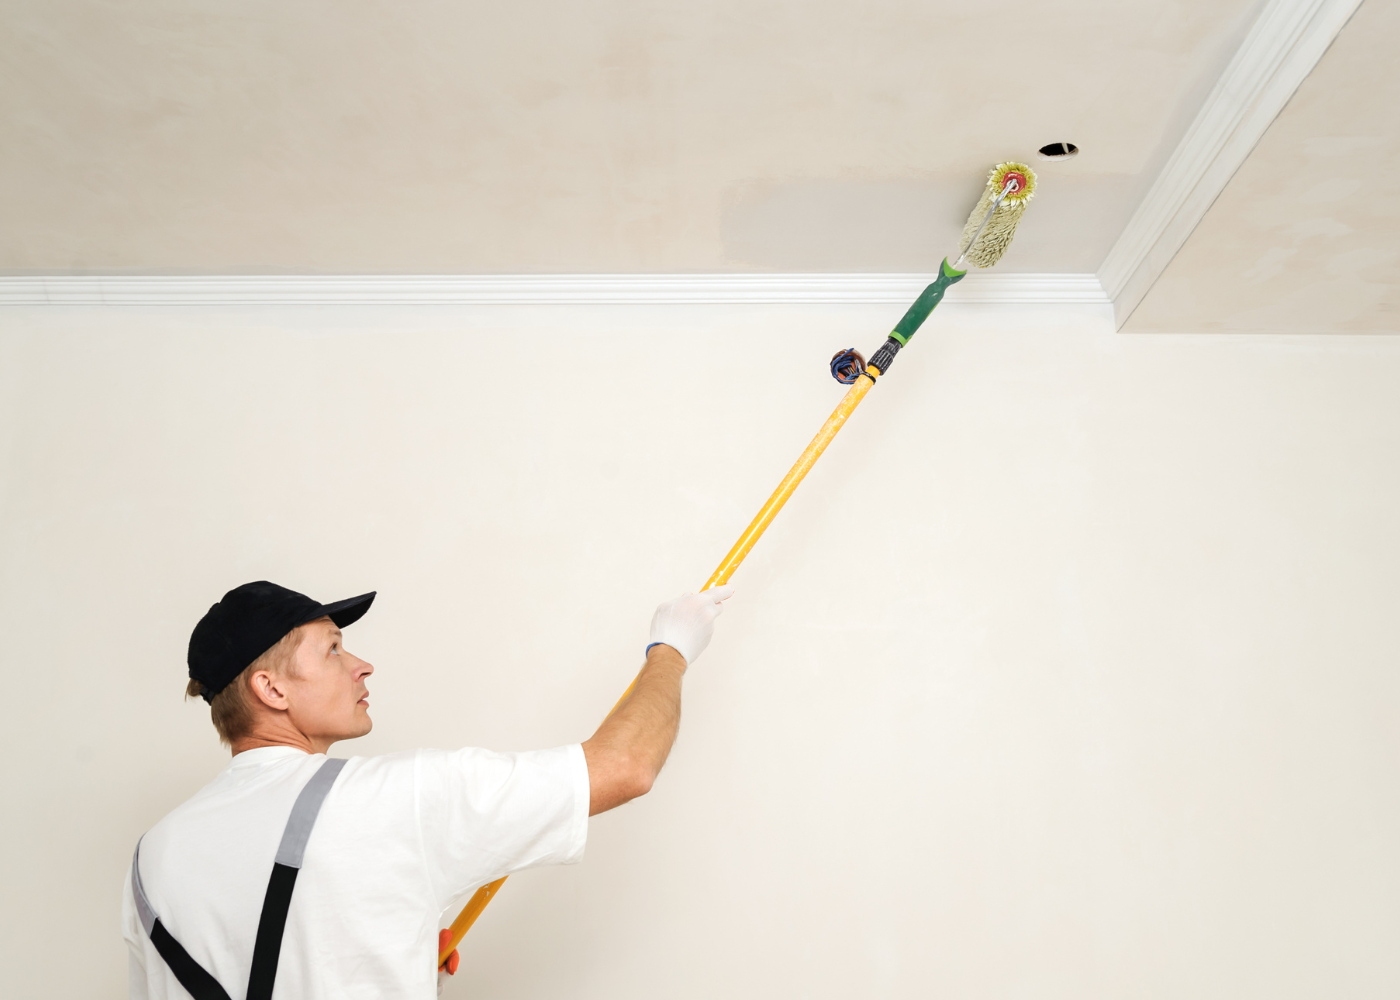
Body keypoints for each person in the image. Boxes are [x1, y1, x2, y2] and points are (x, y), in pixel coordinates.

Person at [122, 579, 734, 999]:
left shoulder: (153, 857)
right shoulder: (393, 798)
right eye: (332, 649)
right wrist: (671, 649)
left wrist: (388, 950)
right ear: (270, 690)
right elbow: (625, 765)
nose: (361, 664)